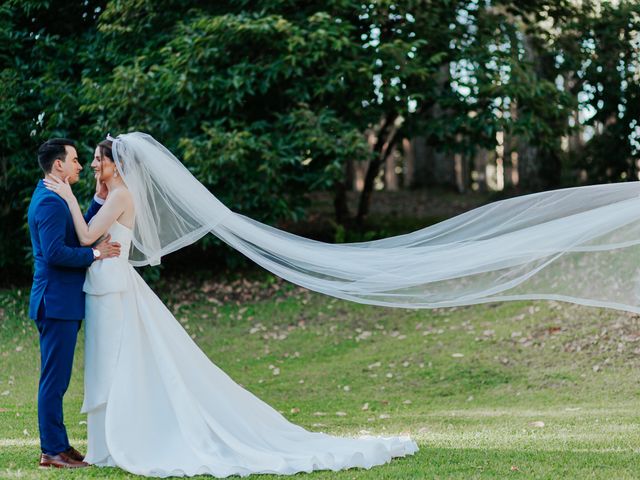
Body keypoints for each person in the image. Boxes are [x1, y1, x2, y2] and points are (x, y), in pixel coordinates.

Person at [43, 136, 418, 477]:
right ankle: (105, 444)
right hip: (104, 287)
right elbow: (92, 228)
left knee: (119, 361)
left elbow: (88, 234)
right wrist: (93, 195)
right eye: (89, 160)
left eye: (98, 160)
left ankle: (119, 440)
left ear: (117, 165)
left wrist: (71, 198)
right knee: (107, 362)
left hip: (113, 288)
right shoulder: (113, 193)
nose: (92, 165)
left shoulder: (123, 196)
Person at [27, 138, 121, 469]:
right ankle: (51, 452)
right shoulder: (50, 203)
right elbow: (56, 253)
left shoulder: (54, 196)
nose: (81, 166)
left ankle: (60, 446)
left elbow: (81, 229)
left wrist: (98, 197)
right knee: (54, 380)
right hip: (55, 303)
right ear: (58, 166)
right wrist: (96, 253)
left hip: (60, 302)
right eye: (76, 160)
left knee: (59, 378)